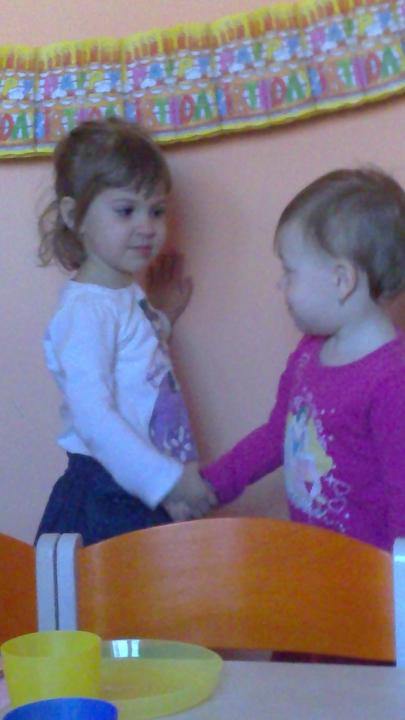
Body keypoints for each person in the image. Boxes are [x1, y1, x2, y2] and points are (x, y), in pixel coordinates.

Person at [202, 167, 405, 551]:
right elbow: (278, 434)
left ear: (341, 280)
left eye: (289, 272)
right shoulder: (310, 352)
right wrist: (212, 484)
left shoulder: (392, 382)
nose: (280, 284)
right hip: (315, 560)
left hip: (369, 576)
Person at [35, 117, 216, 545]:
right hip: (107, 492)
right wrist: (168, 482)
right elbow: (93, 418)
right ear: (74, 216)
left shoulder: (123, 295)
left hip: (141, 485)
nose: (147, 226)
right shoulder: (85, 312)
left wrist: (161, 317)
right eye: (125, 210)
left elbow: (135, 369)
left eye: (156, 210)